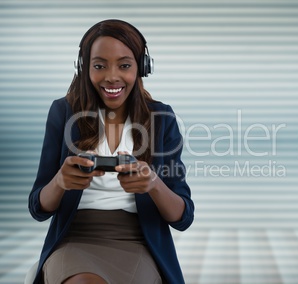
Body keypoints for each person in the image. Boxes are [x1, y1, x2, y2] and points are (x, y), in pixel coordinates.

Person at [28, 19, 194, 284]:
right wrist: (60, 181)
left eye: (125, 65)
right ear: (84, 68)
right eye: (99, 65)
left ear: (142, 67)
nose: (112, 76)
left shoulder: (161, 117)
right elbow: (38, 208)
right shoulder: (64, 112)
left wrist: (153, 183)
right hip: (74, 238)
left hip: (138, 242)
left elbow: (182, 217)